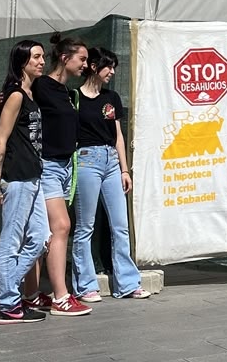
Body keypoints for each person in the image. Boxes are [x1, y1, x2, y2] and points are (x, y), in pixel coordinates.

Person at [71, 48, 151, 301]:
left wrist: (124, 169)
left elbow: (118, 135)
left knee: (121, 225)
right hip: (86, 160)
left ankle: (127, 283)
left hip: (111, 162)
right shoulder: (74, 97)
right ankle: (85, 285)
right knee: (85, 226)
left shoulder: (112, 98)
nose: (112, 72)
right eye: (109, 67)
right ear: (94, 66)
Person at [22, 34, 93, 316]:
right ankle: (61, 297)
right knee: (60, 226)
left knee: (40, 232)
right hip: (46, 165)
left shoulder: (66, 92)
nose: (86, 65)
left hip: (65, 166)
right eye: (82, 59)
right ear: (65, 58)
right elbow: (16, 101)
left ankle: (30, 294)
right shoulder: (41, 86)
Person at [0, 41, 51, 325]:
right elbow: (0, 139)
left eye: (42, 56)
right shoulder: (14, 95)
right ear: (22, 61)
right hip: (17, 177)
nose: (41, 61)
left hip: (34, 175)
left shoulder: (29, 93)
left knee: (39, 237)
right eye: (36, 57)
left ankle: (3, 298)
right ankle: (10, 305)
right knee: (10, 243)